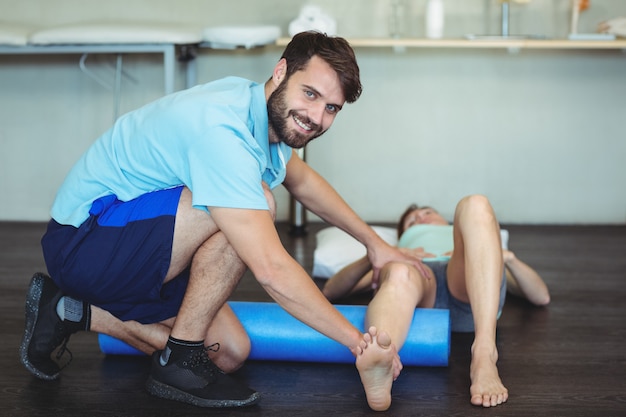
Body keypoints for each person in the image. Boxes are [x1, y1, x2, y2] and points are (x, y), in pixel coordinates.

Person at [20, 31, 426, 408]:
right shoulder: (223, 130)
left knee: (230, 353)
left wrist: (376, 244)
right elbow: (270, 269)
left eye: (331, 107)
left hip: (133, 240)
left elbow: (304, 182)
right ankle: (177, 359)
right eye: (311, 94)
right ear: (281, 71)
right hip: (85, 239)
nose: (316, 116)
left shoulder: (263, 115)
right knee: (257, 204)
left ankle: (72, 309)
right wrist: (359, 345)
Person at [323, 194, 550, 411]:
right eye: (413, 221)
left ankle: (484, 352)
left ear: (445, 221)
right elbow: (331, 290)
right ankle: (383, 359)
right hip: (419, 274)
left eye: (428, 213)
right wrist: (376, 255)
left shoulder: (478, 243)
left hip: (464, 279)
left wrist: (506, 257)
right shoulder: (400, 249)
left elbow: (541, 296)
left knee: (475, 204)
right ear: (404, 235)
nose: (421, 218)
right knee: (400, 272)